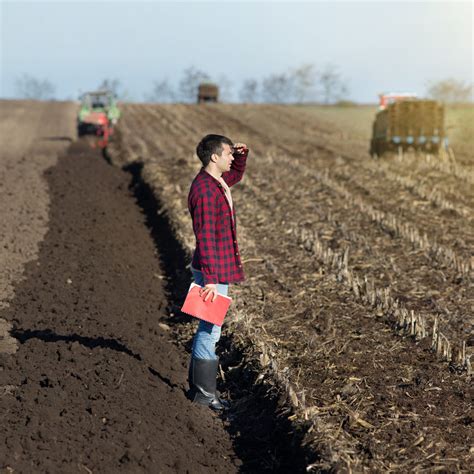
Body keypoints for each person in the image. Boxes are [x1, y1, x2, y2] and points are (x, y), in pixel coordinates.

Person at [187, 134, 249, 411]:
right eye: (228, 154)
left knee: (211, 327)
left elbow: (234, 175)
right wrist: (210, 280)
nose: (231, 158)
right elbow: (206, 238)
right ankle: (203, 395)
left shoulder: (215, 182)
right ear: (214, 157)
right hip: (212, 270)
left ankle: (201, 391)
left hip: (217, 267)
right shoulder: (204, 192)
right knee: (210, 329)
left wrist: (242, 155)